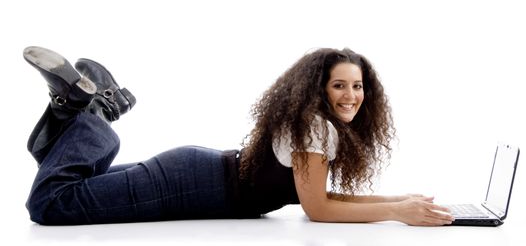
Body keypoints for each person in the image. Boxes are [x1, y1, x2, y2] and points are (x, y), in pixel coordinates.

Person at [23, 46, 454, 226]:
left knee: (67, 183)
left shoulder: (317, 125)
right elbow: (319, 209)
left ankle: (72, 107)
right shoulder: (317, 126)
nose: (351, 95)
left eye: (357, 86)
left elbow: (316, 197)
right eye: (340, 85)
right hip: (191, 183)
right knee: (50, 203)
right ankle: (95, 110)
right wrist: (397, 211)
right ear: (320, 88)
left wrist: (400, 201)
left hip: (195, 172)